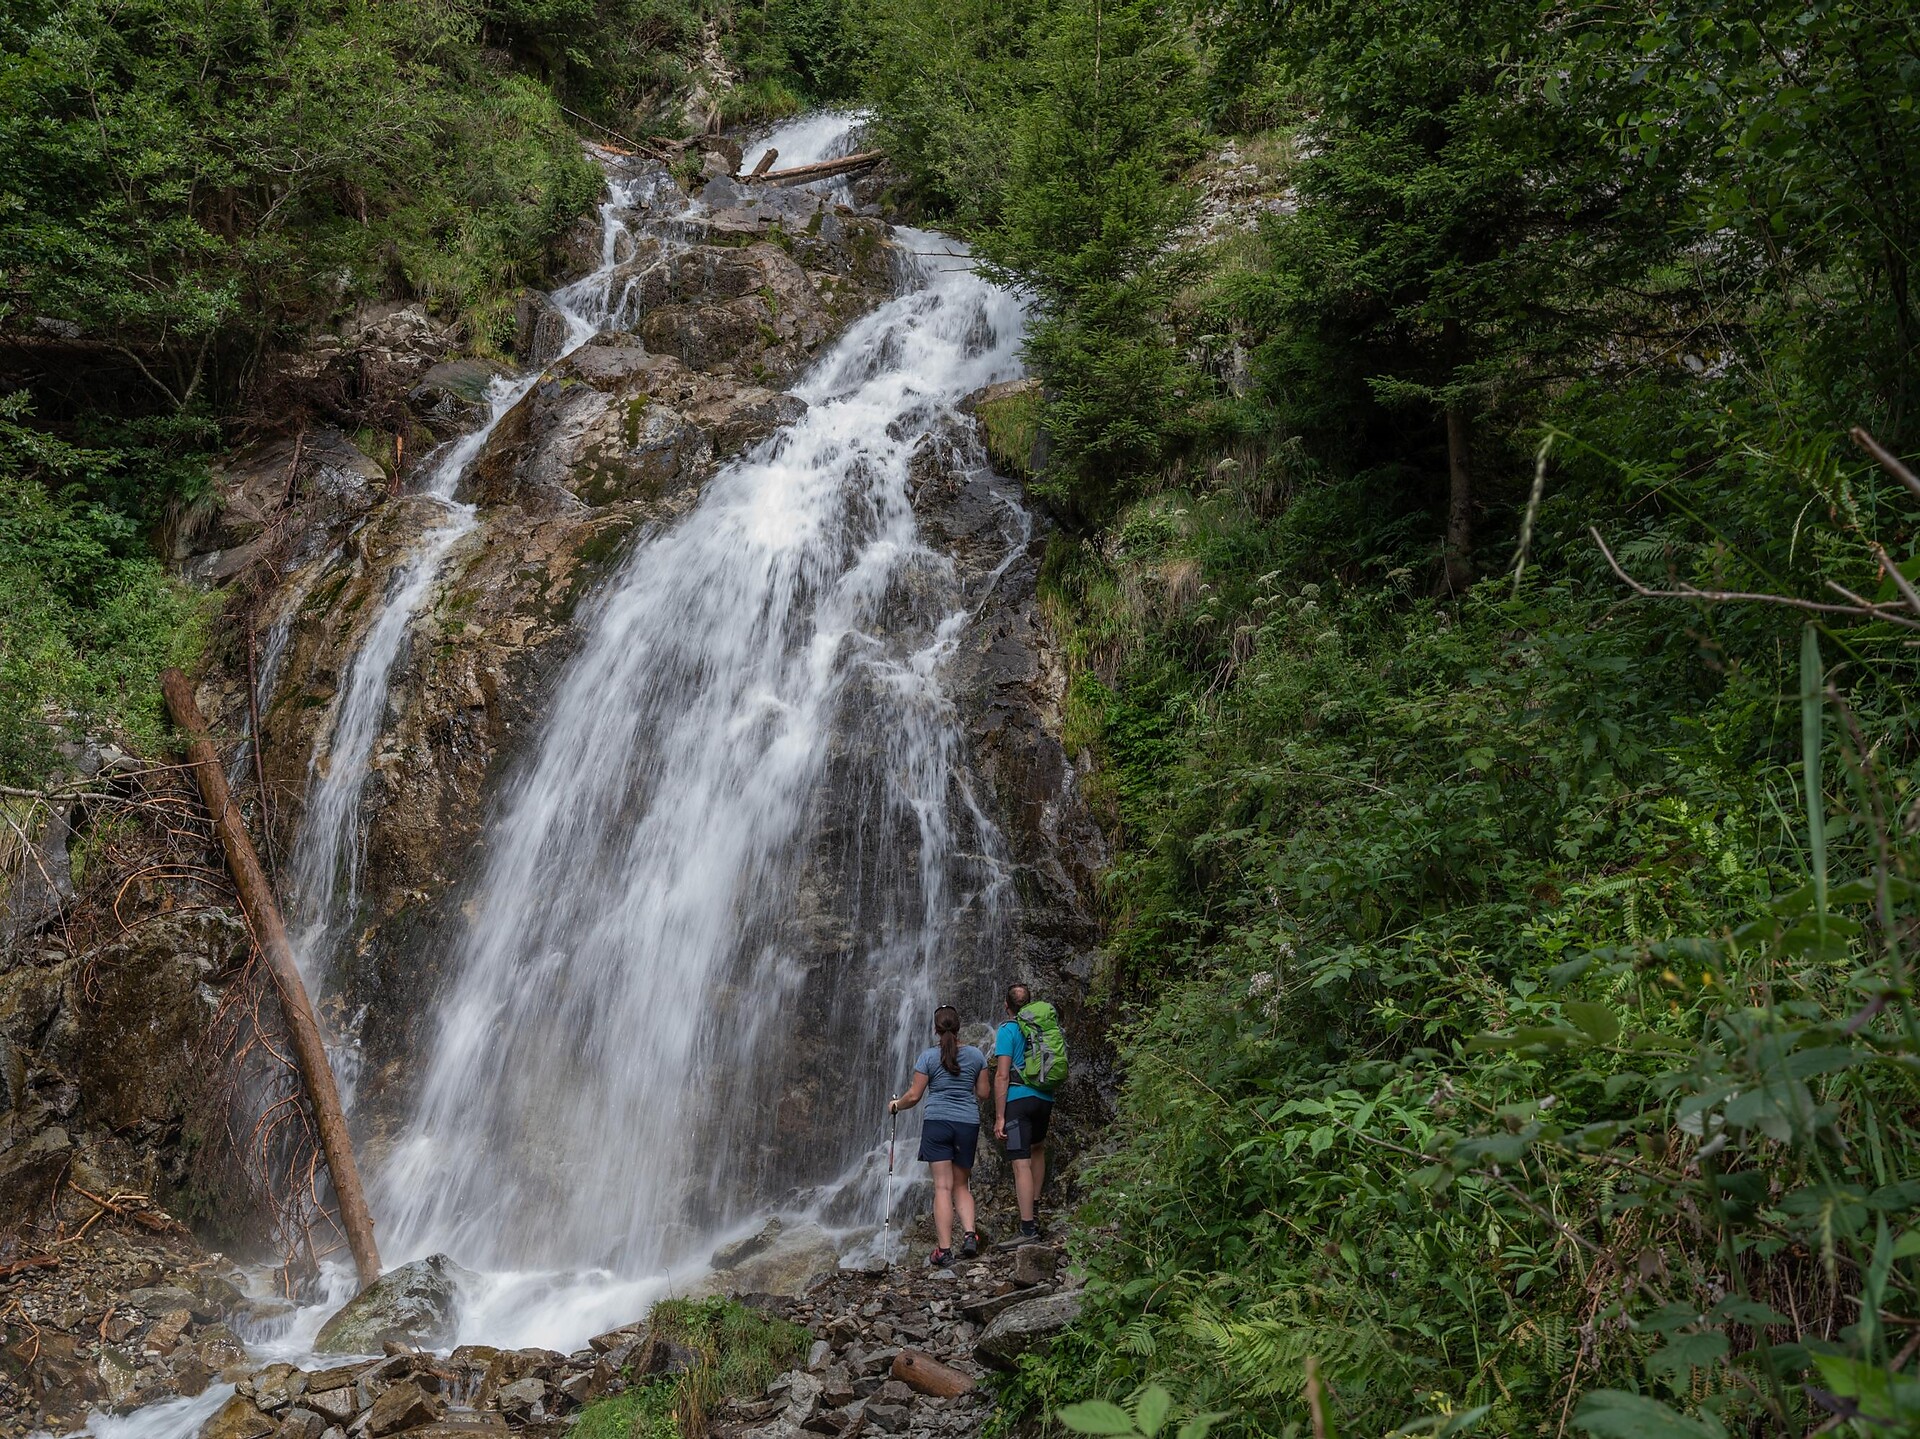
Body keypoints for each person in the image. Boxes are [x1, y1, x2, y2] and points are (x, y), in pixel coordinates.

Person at [888, 1005, 990, 1266]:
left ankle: (944, 1251)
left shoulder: (928, 1058)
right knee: (961, 1185)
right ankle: (969, 1235)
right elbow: (983, 1093)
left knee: (943, 1187)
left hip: (937, 1123)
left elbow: (914, 1095)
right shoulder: (977, 1056)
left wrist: (896, 1105)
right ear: (959, 1027)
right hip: (967, 1123)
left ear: (935, 1029)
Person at [993, 981, 1052, 1240]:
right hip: (1044, 1098)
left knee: (1021, 1163)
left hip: (1019, 1100)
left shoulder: (1008, 1030)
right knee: (1038, 1148)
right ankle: (1035, 1205)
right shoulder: (1043, 1028)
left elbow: (1002, 1075)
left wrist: (999, 1116)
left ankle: (1027, 1228)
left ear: (1007, 1006)